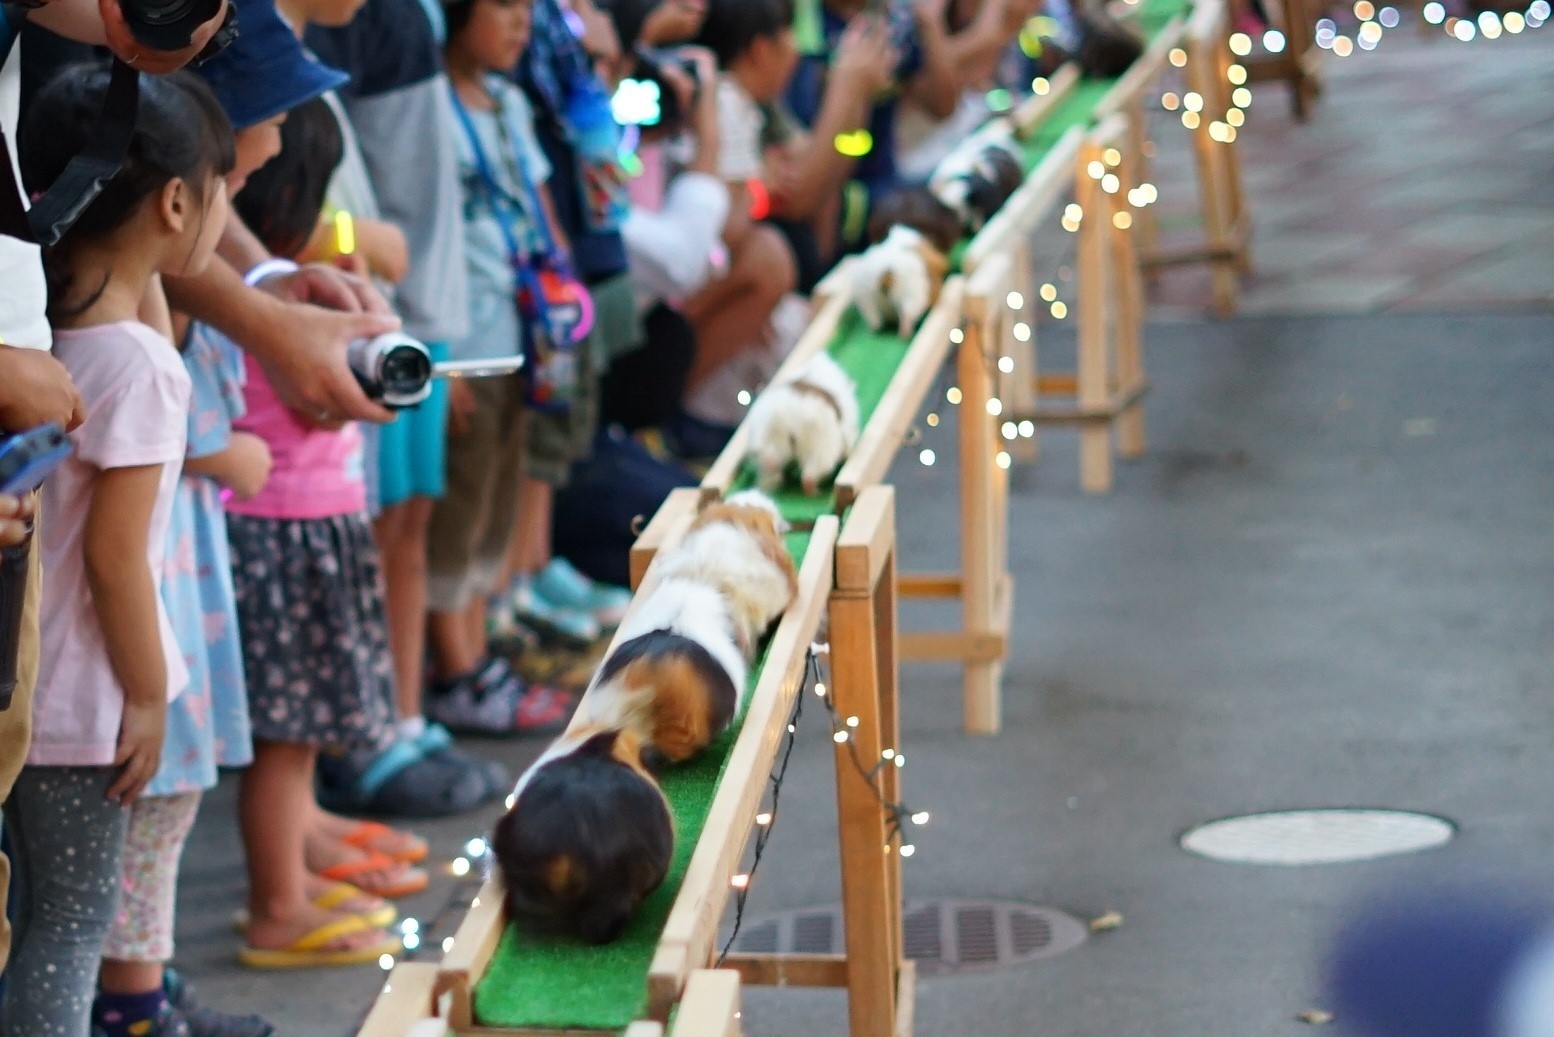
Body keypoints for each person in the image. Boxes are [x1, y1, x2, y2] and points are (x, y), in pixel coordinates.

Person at [7, 64, 231, 1036]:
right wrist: (147, 693)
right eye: (224, 188)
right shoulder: (138, 368)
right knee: (65, 926)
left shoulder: (47, 333)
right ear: (177, 200)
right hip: (83, 705)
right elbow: (114, 557)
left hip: (22, 686)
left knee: (28, 918)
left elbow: (147, 318)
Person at [222, 89, 417, 968]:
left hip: (302, 534)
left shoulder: (271, 293)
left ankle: (296, 867)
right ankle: (278, 905)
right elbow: (327, 404)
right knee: (283, 737)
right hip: (281, 539)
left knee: (294, 739)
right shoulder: (270, 314)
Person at [305, 0, 511, 811]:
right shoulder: (328, 24)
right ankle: (362, 733)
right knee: (368, 527)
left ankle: (400, 713)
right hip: (378, 313)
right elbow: (320, 187)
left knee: (410, 517)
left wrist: (434, 325)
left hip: (416, 312)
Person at [425, 0, 580, 736]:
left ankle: (483, 652)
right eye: (503, 8)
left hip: (525, 329)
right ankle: (455, 666)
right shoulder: (428, 103)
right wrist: (437, 353)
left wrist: (563, 285)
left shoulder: (510, 101)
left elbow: (540, 203)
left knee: (498, 490)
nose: (521, 23)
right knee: (460, 499)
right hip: (468, 337)